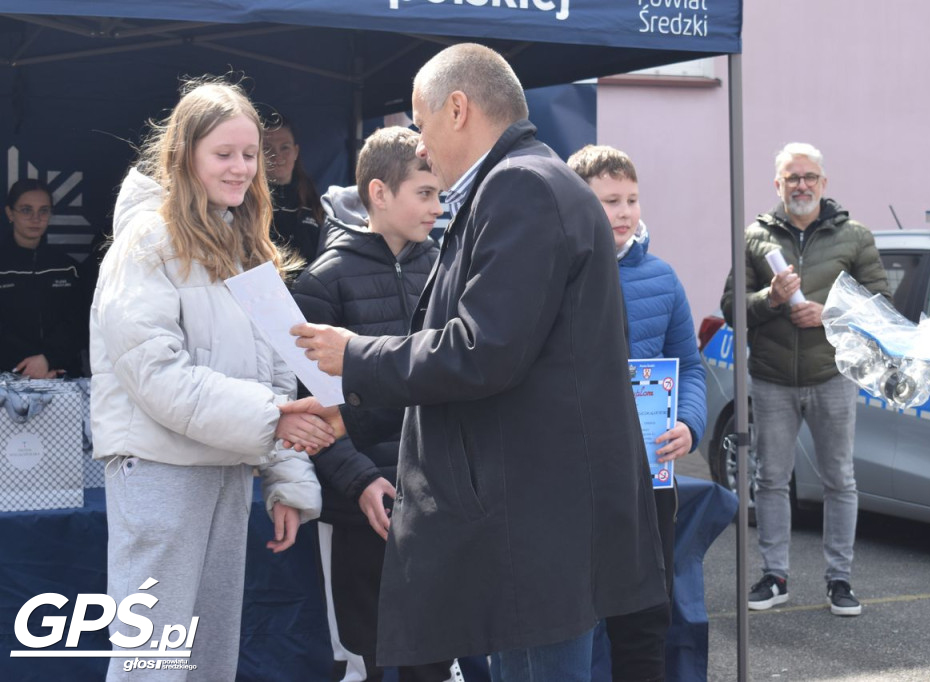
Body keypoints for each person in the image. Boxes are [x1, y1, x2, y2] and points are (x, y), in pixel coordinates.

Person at [289, 43, 667, 682]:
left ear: (458, 108)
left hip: (532, 522)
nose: (419, 143)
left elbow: (481, 351)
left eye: (420, 121)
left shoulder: (519, 185)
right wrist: (354, 417)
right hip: (536, 514)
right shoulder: (524, 181)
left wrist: (355, 356)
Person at [90, 78, 336, 680]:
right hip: (160, 476)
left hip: (226, 472)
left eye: (250, 155)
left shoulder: (244, 247)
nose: (241, 168)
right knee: (153, 664)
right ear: (185, 155)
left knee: (207, 662)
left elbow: (277, 371)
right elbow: (155, 373)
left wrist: (285, 476)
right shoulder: (146, 242)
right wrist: (274, 424)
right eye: (223, 154)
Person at [291, 126, 452, 682]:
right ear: (379, 193)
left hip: (441, 504)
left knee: (434, 659)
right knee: (370, 658)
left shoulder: (451, 271)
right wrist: (360, 483)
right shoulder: (321, 283)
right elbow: (310, 412)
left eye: (439, 193)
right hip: (363, 514)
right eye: (425, 193)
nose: (438, 206)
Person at [721, 142, 889, 618]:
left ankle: (840, 580)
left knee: (840, 480)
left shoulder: (853, 236)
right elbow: (731, 308)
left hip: (832, 375)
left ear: (824, 183)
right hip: (772, 378)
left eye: (809, 177)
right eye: (792, 177)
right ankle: (775, 576)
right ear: (778, 184)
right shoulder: (756, 237)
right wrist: (771, 299)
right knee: (770, 479)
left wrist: (830, 314)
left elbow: (881, 305)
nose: (801, 185)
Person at [567, 144, 706, 681]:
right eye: (609, 201)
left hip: (650, 478)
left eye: (631, 199)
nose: (624, 213)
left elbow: (691, 367)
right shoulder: (556, 274)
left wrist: (689, 426)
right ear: (581, 205)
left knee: (645, 619)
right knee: (572, 621)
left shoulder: (663, 278)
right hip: (577, 478)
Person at [0, 179, 86, 377]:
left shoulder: (68, 267)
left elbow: (80, 322)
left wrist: (49, 360)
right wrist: (27, 369)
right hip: (6, 382)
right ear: (10, 213)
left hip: (61, 378)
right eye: (26, 210)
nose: (36, 218)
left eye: (43, 210)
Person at [265, 115, 325, 264]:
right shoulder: (247, 203)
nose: (277, 155)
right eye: (267, 148)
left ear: (296, 152)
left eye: (284, 147)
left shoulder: (314, 201)